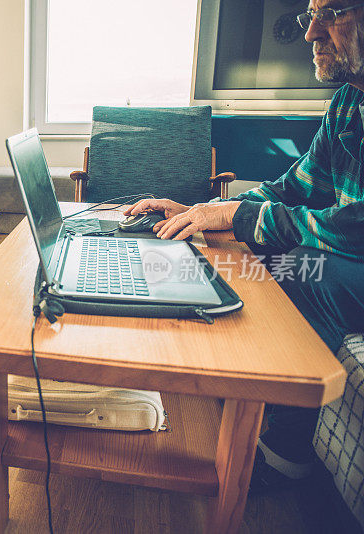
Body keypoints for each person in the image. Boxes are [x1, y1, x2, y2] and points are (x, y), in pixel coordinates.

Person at [123, 0, 364, 492]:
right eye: (311, 14)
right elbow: (290, 189)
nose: (310, 33)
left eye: (334, 11)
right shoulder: (346, 103)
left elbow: (355, 227)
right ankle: (241, 384)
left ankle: (286, 448)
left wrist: (240, 216)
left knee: (303, 265)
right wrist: (200, 215)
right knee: (263, 248)